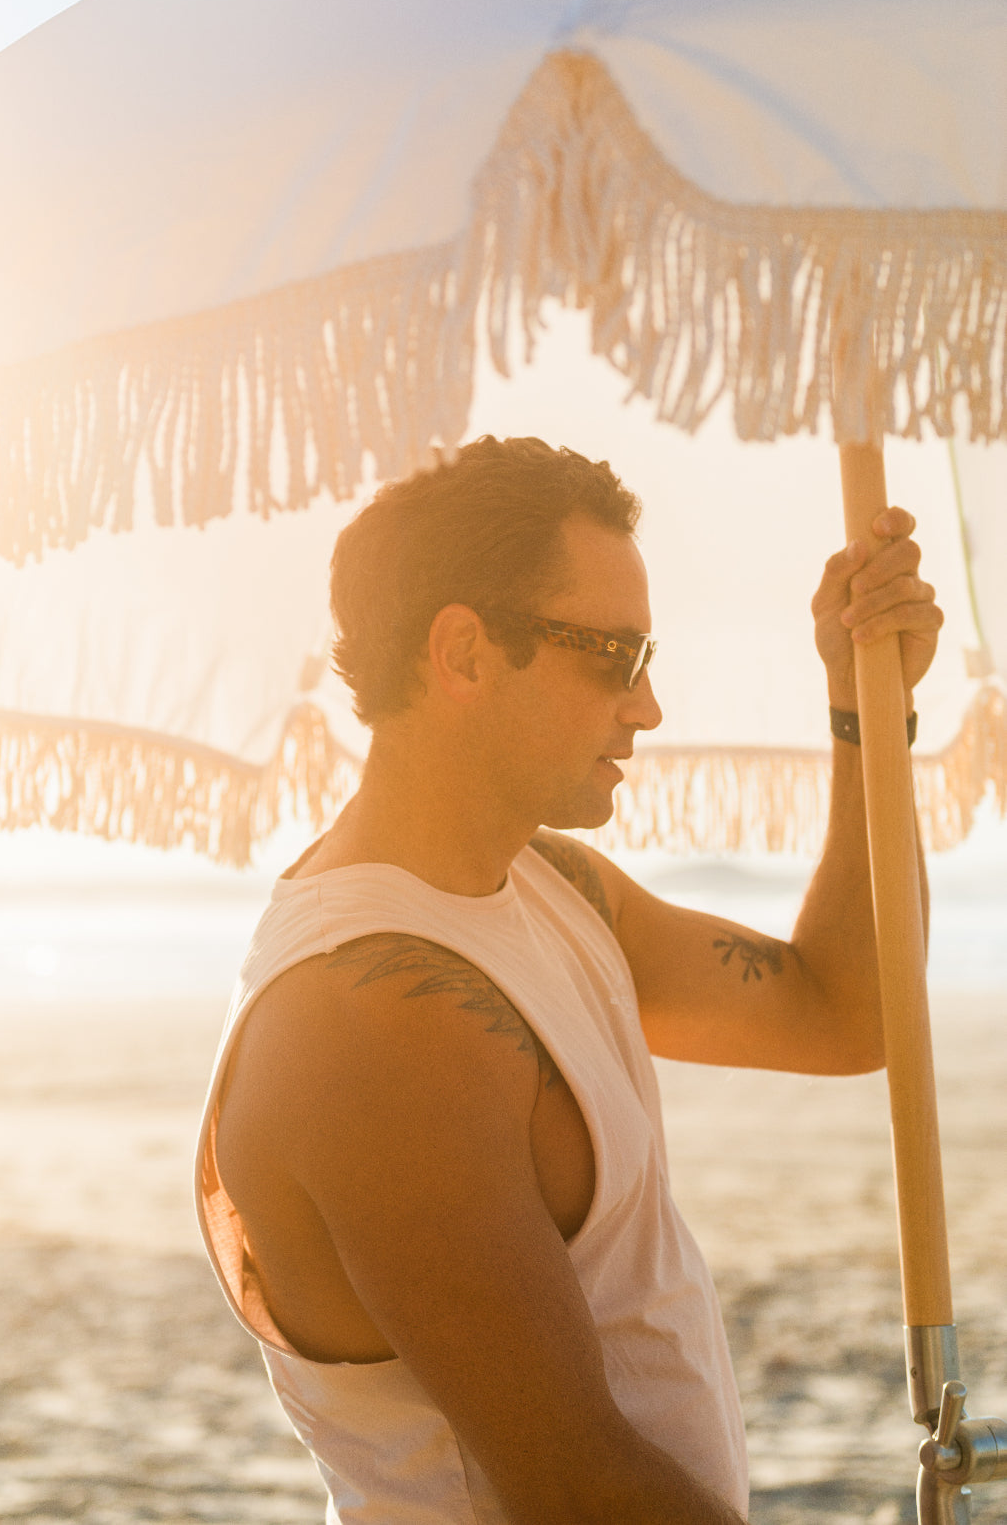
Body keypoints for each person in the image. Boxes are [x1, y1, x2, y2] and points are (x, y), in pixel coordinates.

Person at [195, 435, 942, 1525]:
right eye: (613, 657)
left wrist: (867, 708)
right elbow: (576, 1488)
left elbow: (848, 1015)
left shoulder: (553, 887)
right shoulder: (370, 1020)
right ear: (463, 653)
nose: (647, 707)